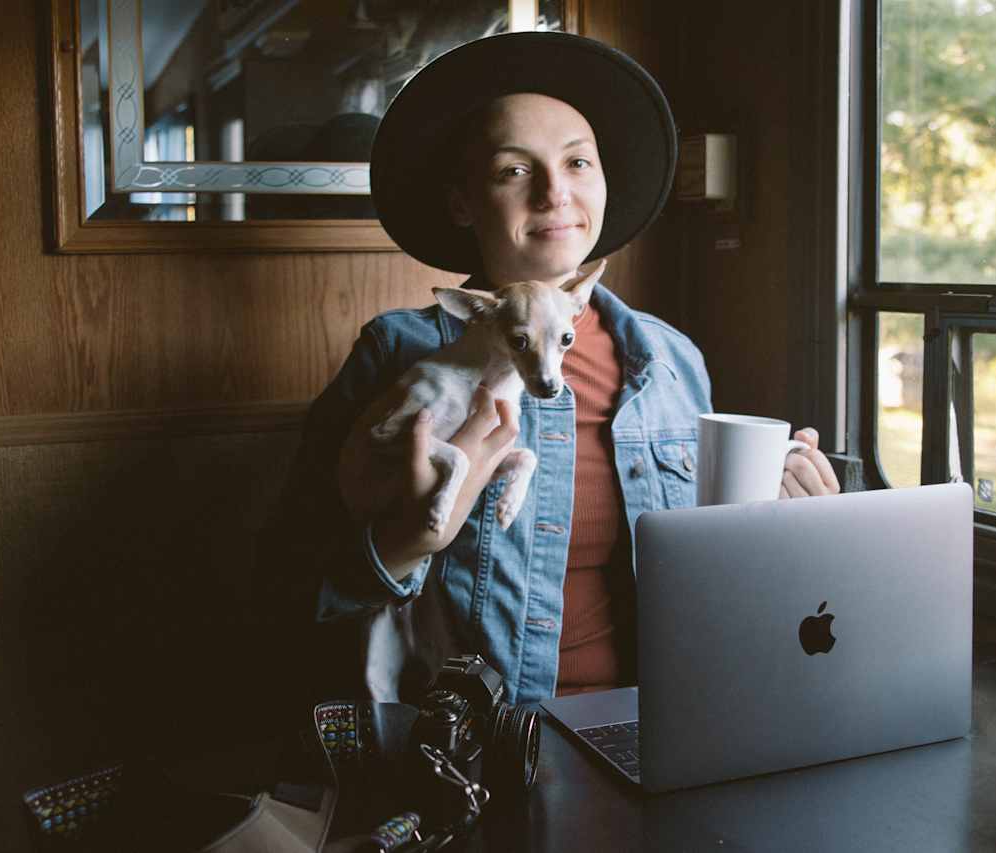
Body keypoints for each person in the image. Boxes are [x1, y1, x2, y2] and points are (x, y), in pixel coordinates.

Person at [277, 32, 839, 706]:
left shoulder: (671, 362)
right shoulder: (399, 356)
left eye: (578, 162)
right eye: (514, 170)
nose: (554, 192)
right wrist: (412, 537)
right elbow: (290, 591)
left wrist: (788, 530)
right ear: (462, 201)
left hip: (664, 723)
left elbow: (714, 585)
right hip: (476, 747)